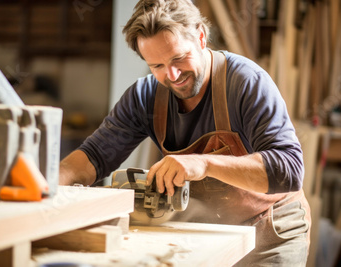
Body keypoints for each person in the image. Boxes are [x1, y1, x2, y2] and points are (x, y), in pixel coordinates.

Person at [59, 0, 311, 265]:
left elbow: (289, 170)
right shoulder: (144, 97)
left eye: (178, 58)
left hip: (270, 230)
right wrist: (47, 188)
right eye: (156, 66)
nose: (173, 74)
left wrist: (202, 163)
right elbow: (94, 156)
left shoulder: (246, 82)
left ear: (201, 36)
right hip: (208, 230)